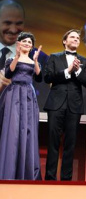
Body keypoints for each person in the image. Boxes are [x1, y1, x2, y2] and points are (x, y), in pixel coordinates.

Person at [44, 29, 86, 181]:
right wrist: (67, 71)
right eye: (72, 37)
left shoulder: (84, 61)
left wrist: (77, 72)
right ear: (65, 41)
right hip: (56, 104)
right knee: (53, 142)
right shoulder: (54, 57)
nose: (76, 39)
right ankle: (50, 178)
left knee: (70, 144)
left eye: (78, 38)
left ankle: (66, 179)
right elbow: (47, 77)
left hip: (74, 105)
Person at [0, 32, 42, 180]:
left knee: (28, 129)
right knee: (13, 130)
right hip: (14, 94)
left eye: (29, 42)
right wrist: (17, 56)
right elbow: (8, 73)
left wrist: (36, 61)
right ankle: (9, 170)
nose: (27, 43)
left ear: (32, 46)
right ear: (19, 43)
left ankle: (27, 172)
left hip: (29, 96)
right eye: (24, 41)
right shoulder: (12, 58)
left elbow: (39, 77)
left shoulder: (34, 60)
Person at [0, 0, 49, 108]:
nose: (13, 30)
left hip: (22, 106)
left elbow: (43, 95)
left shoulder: (41, 58)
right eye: (7, 23)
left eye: (18, 23)